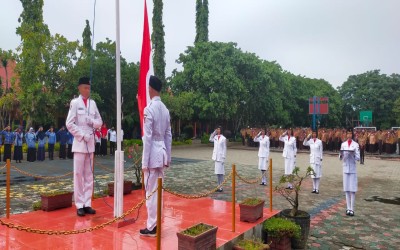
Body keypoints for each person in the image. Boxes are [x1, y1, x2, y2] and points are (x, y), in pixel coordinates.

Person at [140, 75, 172, 237]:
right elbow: (168, 135)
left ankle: (152, 226)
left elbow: (148, 138)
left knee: (151, 192)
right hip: (162, 154)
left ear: (151, 89)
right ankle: (156, 222)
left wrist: (144, 162)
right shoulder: (165, 109)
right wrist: (169, 156)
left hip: (152, 155)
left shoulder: (149, 109)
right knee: (158, 191)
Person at [66, 77, 102, 217]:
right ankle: (79, 204)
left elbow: (99, 122)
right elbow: (69, 123)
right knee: (78, 174)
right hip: (80, 143)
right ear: (80, 88)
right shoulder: (75, 103)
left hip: (91, 143)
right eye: (85, 87)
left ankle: (87, 203)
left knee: (89, 175)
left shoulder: (93, 104)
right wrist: (81, 134)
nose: (88, 90)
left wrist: (91, 121)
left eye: (89, 87)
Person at [339, 127, 360, 217]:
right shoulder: (343, 144)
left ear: (352, 134)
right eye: (348, 133)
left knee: (353, 189)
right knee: (347, 189)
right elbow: (340, 157)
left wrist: (353, 153)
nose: (349, 135)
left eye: (351, 133)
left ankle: (352, 208)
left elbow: (358, 158)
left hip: (352, 169)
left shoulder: (356, 145)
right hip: (345, 168)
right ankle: (347, 208)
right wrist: (342, 154)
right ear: (346, 134)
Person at [303, 129, 323, 194]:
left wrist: (321, 158)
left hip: (317, 159)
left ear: (316, 134)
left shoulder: (319, 141)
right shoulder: (310, 141)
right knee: (313, 175)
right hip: (312, 159)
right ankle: (314, 188)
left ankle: (317, 189)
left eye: (315, 133)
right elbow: (304, 143)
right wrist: (308, 136)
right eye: (313, 133)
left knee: (317, 175)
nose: (314, 134)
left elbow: (321, 151)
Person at [209, 126, 227, 192]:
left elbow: (224, 149)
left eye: (219, 129)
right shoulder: (215, 137)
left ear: (221, 130)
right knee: (217, 173)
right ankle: (218, 186)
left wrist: (223, 158)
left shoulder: (223, 138)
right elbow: (210, 139)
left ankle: (221, 187)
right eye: (217, 129)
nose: (218, 130)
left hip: (220, 158)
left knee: (221, 173)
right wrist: (214, 132)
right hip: (216, 157)